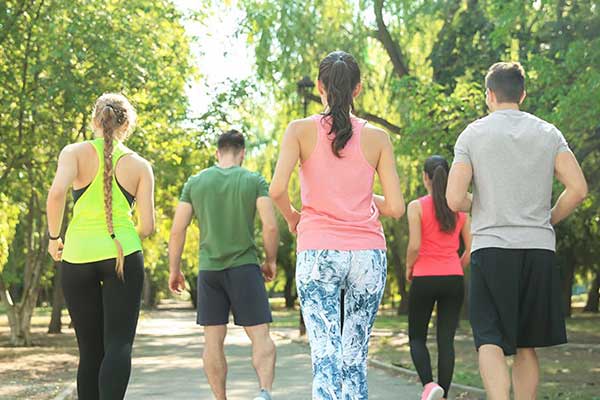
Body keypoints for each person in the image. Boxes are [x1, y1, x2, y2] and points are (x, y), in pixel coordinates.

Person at [446, 62, 588, 400]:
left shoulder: (472, 134)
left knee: (490, 338)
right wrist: (549, 217)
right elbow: (578, 189)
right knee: (527, 343)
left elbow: (453, 198)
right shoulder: (549, 133)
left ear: (489, 95)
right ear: (522, 94)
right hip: (537, 249)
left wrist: (482, 202)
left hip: (491, 248)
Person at [269, 50, 405, 400]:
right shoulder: (377, 138)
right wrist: (362, 197)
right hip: (367, 256)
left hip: (318, 253)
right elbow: (396, 208)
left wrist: (294, 218)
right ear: (358, 89)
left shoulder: (299, 131)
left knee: (325, 356)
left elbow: (277, 190)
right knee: (355, 356)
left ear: (319, 87)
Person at [46, 93, 155, 400]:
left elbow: (56, 195)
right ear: (127, 125)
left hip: (77, 257)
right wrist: (121, 234)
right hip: (123, 255)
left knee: (90, 351)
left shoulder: (73, 153)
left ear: (95, 120)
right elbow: (147, 227)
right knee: (118, 344)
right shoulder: (139, 165)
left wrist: (55, 239)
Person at [168, 130, 279, 400]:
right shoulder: (253, 180)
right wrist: (270, 261)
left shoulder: (196, 182)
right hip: (245, 268)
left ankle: (221, 398)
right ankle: (264, 392)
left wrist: (175, 269)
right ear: (242, 153)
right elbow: (271, 226)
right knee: (261, 335)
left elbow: (177, 230)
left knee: (213, 341)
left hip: (210, 272)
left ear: (217, 153)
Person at [406, 155, 471, 400]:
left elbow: (414, 246)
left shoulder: (417, 206)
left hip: (424, 277)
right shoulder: (460, 207)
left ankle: (429, 386)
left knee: (416, 337)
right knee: (446, 340)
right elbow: (471, 248)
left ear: (425, 177)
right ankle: (443, 394)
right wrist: (457, 265)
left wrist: (409, 268)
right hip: (453, 278)